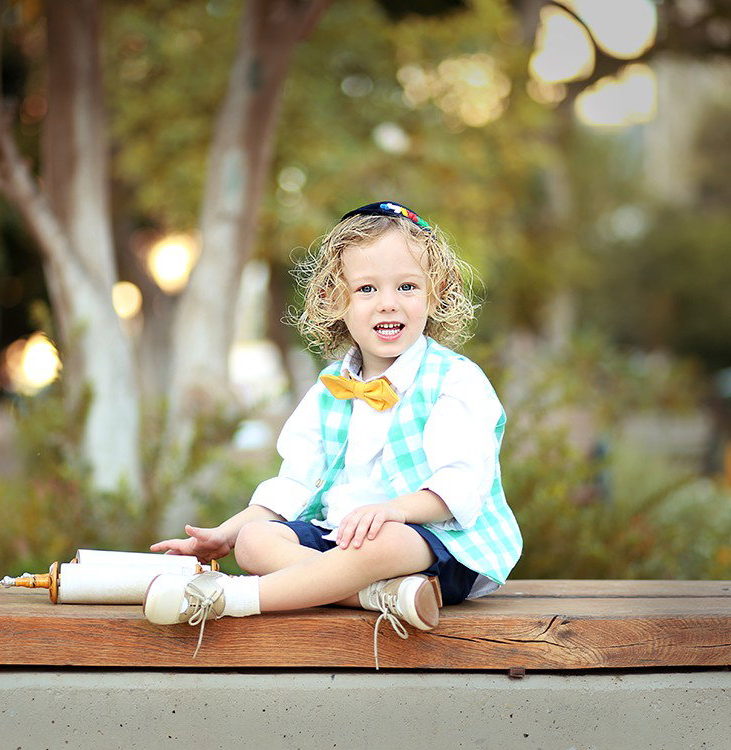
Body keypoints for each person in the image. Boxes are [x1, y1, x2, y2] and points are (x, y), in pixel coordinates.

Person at [147, 200, 523, 666]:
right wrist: (224, 535)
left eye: (407, 286)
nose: (388, 301)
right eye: (366, 288)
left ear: (435, 291)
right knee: (255, 541)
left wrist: (393, 511)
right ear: (335, 298)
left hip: (431, 543)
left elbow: (460, 486)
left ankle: (233, 599)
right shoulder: (329, 390)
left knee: (386, 541)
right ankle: (379, 597)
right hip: (342, 540)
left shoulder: (455, 381)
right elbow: (294, 484)